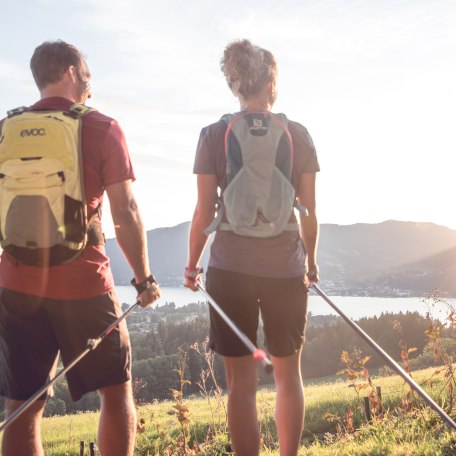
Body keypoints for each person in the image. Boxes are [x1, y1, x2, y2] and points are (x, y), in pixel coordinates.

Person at [0, 40, 160, 456]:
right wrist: (143, 280)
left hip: (16, 284)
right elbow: (125, 213)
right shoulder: (102, 127)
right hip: (85, 283)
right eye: (85, 67)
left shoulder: (6, 129)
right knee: (115, 391)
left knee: (22, 404)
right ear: (71, 71)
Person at [184, 39, 320, 456]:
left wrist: (192, 265)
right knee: (287, 375)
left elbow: (204, 213)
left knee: (240, 386)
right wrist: (310, 263)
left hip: (230, 269)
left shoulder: (213, 135)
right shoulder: (296, 134)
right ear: (271, 82)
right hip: (285, 268)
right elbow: (309, 212)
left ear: (236, 83)